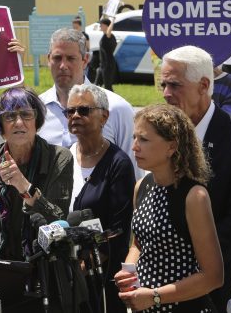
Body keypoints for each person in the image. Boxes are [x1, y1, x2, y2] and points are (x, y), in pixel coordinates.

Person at [160, 45, 231, 311]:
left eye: (174, 85)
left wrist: (193, 264)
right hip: (165, 280)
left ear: (204, 85)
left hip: (215, 281)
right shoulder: (160, 134)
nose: (166, 93)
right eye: (163, 85)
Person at [115, 104, 223, 312]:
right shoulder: (142, 186)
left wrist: (154, 297)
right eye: (134, 138)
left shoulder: (194, 196)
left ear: (171, 147)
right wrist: (129, 272)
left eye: (143, 139)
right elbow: (138, 243)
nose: (134, 147)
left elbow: (213, 276)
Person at [0, 86, 73, 261]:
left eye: (26, 114)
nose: (18, 122)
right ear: (0, 126)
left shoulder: (59, 158)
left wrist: (24, 186)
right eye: (10, 116)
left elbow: (58, 220)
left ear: (37, 121)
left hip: (41, 264)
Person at [67, 83, 135, 313]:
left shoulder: (118, 164)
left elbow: (118, 230)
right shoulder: (64, 157)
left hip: (100, 279)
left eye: (84, 110)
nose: (75, 116)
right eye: (70, 111)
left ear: (104, 116)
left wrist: (85, 265)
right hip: (65, 272)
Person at [38, 28, 139, 175]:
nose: (63, 66)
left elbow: (133, 173)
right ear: (48, 60)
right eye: (57, 58)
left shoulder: (116, 108)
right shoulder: (36, 110)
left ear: (85, 60)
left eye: (71, 58)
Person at [96, 17, 117, 91]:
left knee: (108, 86)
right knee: (96, 85)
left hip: (108, 65)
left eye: (102, 24)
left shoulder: (109, 36)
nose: (100, 26)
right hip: (102, 65)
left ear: (107, 26)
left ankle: (113, 98)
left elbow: (109, 31)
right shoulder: (104, 36)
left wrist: (113, 20)